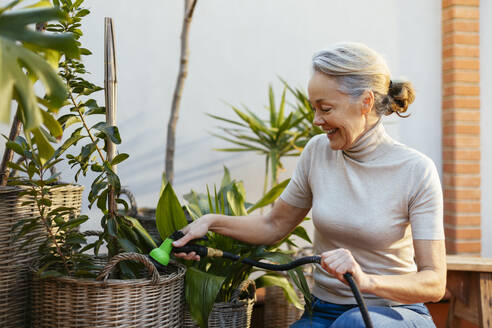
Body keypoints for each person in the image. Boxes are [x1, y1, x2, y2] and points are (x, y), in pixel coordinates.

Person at [173, 42, 446, 327]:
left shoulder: (416, 170)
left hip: (395, 312)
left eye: (325, 108)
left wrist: (366, 282)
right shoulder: (318, 152)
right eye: (313, 108)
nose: (317, 120)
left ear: (365, 102)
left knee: (352, 324)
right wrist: (210, 222)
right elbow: (273, 225)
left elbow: (434, 283)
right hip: (325, 311)